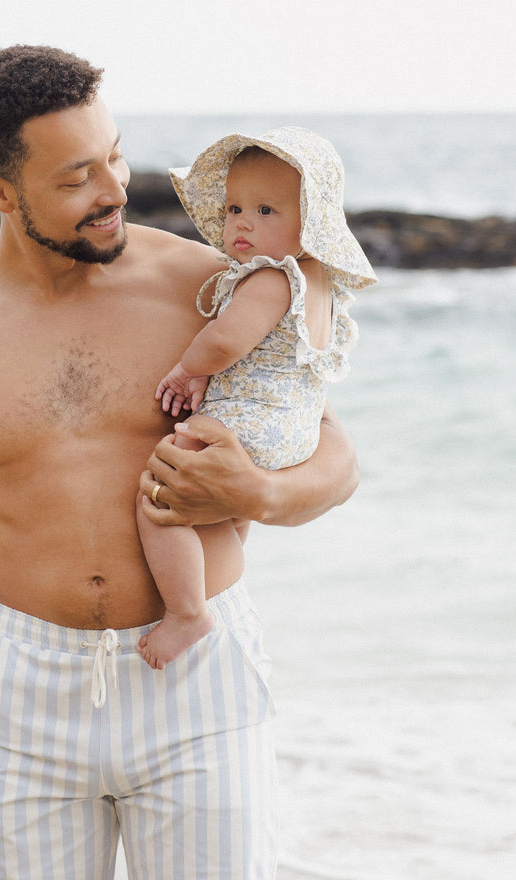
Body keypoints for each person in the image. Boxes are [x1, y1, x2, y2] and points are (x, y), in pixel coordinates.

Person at [0, 45, 361, 880]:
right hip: (25, 694)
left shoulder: (207, 289)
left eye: (115, 156)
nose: (113, 189)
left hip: (199, 692)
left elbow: (332, 455)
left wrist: (264, 496)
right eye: (77, 176)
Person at [136, 129, 376, 669]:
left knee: (159, 500)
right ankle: (221, 567)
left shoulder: (272, 278)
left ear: (309, 225)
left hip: (248, 426)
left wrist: (187, 369)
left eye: (266, 210)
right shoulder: (320, 286)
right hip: (296, 432)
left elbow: (225, 339)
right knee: (223, 508)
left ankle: (186, 612)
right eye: (235, 208)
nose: (243, 223)